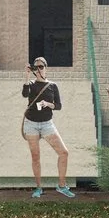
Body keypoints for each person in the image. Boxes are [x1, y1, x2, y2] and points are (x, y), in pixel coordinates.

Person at [20, 56, 74, 198]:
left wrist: (48, 104)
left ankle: (62, 186)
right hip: (31, 124)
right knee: (36, 156)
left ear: (46, 68)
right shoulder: (31, 84)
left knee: (64, 153)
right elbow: (25, 94)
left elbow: (59, 106)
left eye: (41, 67)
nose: (38, 69)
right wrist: (26, 77)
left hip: (47, 124)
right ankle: (38, 188)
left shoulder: (52, 86)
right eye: (35, 67)